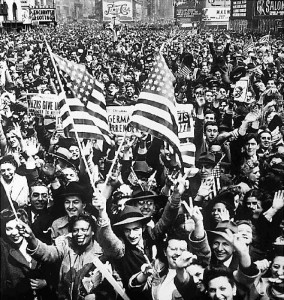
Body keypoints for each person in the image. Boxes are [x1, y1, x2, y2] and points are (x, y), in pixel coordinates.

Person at [18, 213, 122, 300]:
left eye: (84, 230)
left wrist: (98, 297)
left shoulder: (103, 252)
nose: (79, 233)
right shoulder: (66, 246)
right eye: (75, 230)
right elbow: (48, 253)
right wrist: (31, 238)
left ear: (93, 231)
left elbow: (117, 286)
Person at [128, 206, 211, 300]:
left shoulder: (193, 272)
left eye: (182, 249)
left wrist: (199, 223)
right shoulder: (158, 269)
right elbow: (133, 289)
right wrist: (144, 275)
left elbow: (202, 254)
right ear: (164, 251)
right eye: (173, 249)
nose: (178, 253)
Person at [0, 209, 55, 300]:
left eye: (18, 228)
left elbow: (56, 273)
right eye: (9, 229)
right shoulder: (4, 249)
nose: (14, 233)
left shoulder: (40, 245)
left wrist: (46, 282)